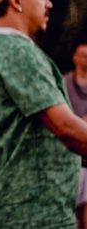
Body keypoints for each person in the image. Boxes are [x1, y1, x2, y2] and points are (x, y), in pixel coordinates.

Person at [0, 0, 87, 228]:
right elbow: (66, 128)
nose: (50, 4)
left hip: (15, 210)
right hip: (31, 214)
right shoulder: (16, 51)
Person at [63, 41, 87, 228]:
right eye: (82, 54)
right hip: (68, 154)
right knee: (70, 210)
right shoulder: (64, 82)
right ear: (74, 58)